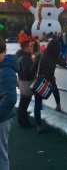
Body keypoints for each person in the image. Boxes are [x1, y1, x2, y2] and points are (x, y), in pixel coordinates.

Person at [31, 40, 66, 133]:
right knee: (55, 88)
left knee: (37, 104)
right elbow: (64, 63)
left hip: (40, 82)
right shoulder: (55, 56)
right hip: (50, 82)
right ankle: (58, 105)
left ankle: (39, 126)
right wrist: (61, 56)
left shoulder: (40, 55)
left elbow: (33, 69)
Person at [0, 37, 19, 170]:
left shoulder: (6, 70)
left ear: (5, 51)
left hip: (3, 118)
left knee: (1, 154)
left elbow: (10, 99)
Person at [16, 35, 38, 128]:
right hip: (26, 83)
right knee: (24, 103)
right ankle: (24, 122)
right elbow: (26, 71)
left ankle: (22, 121)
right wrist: (34, 71)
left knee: (23, 103)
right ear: (25, 48)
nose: (32, 47)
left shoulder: (23, 56)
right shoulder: (25, 57)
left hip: (23, 81)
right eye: (31, 46)